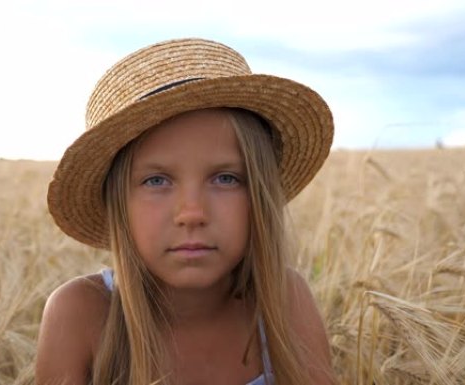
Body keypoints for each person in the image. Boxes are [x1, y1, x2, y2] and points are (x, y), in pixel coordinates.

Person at [36, 38, 336, 385]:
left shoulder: (284, 303)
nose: (192, 213)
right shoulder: (81, 314)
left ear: (259, 194)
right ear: (118, 204)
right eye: (156, 181)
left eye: (226, 178)